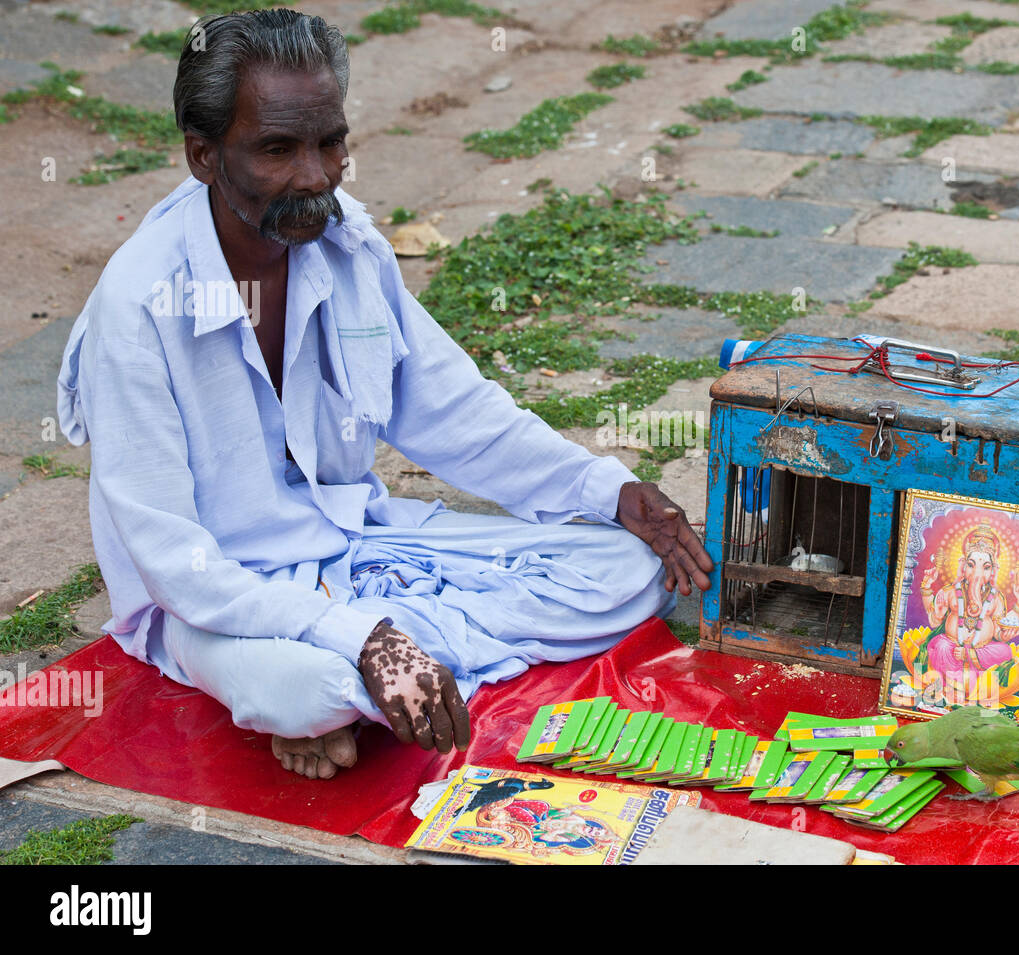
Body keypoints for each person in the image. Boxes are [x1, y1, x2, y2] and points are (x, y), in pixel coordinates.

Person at [54, 8, 712, 780]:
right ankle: (372, 672)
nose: (315, 175)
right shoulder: (138, 304)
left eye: (329, 142)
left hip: (361, 548)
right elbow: (176, 564)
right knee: (308, 691)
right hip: (219, 605)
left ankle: (399, 669)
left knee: (627, 569)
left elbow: (454, 410)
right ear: (203, 155)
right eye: (277, 149)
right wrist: (359, 638)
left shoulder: (346, 244)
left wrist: (606, 489)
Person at [918, 523, 1019, 705]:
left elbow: (999, 633)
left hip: (980, 651)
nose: (977, 573)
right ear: (963, 566)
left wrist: (1018, 609)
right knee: (940, 646)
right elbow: (934, 621)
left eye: (985, 567)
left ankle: (964, 681)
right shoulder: (951, 591)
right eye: (971, 565)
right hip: (952, 648)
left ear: (993, 570)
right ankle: (951, 686)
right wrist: (927, 588)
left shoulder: (995, 598)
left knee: (1005, 651)